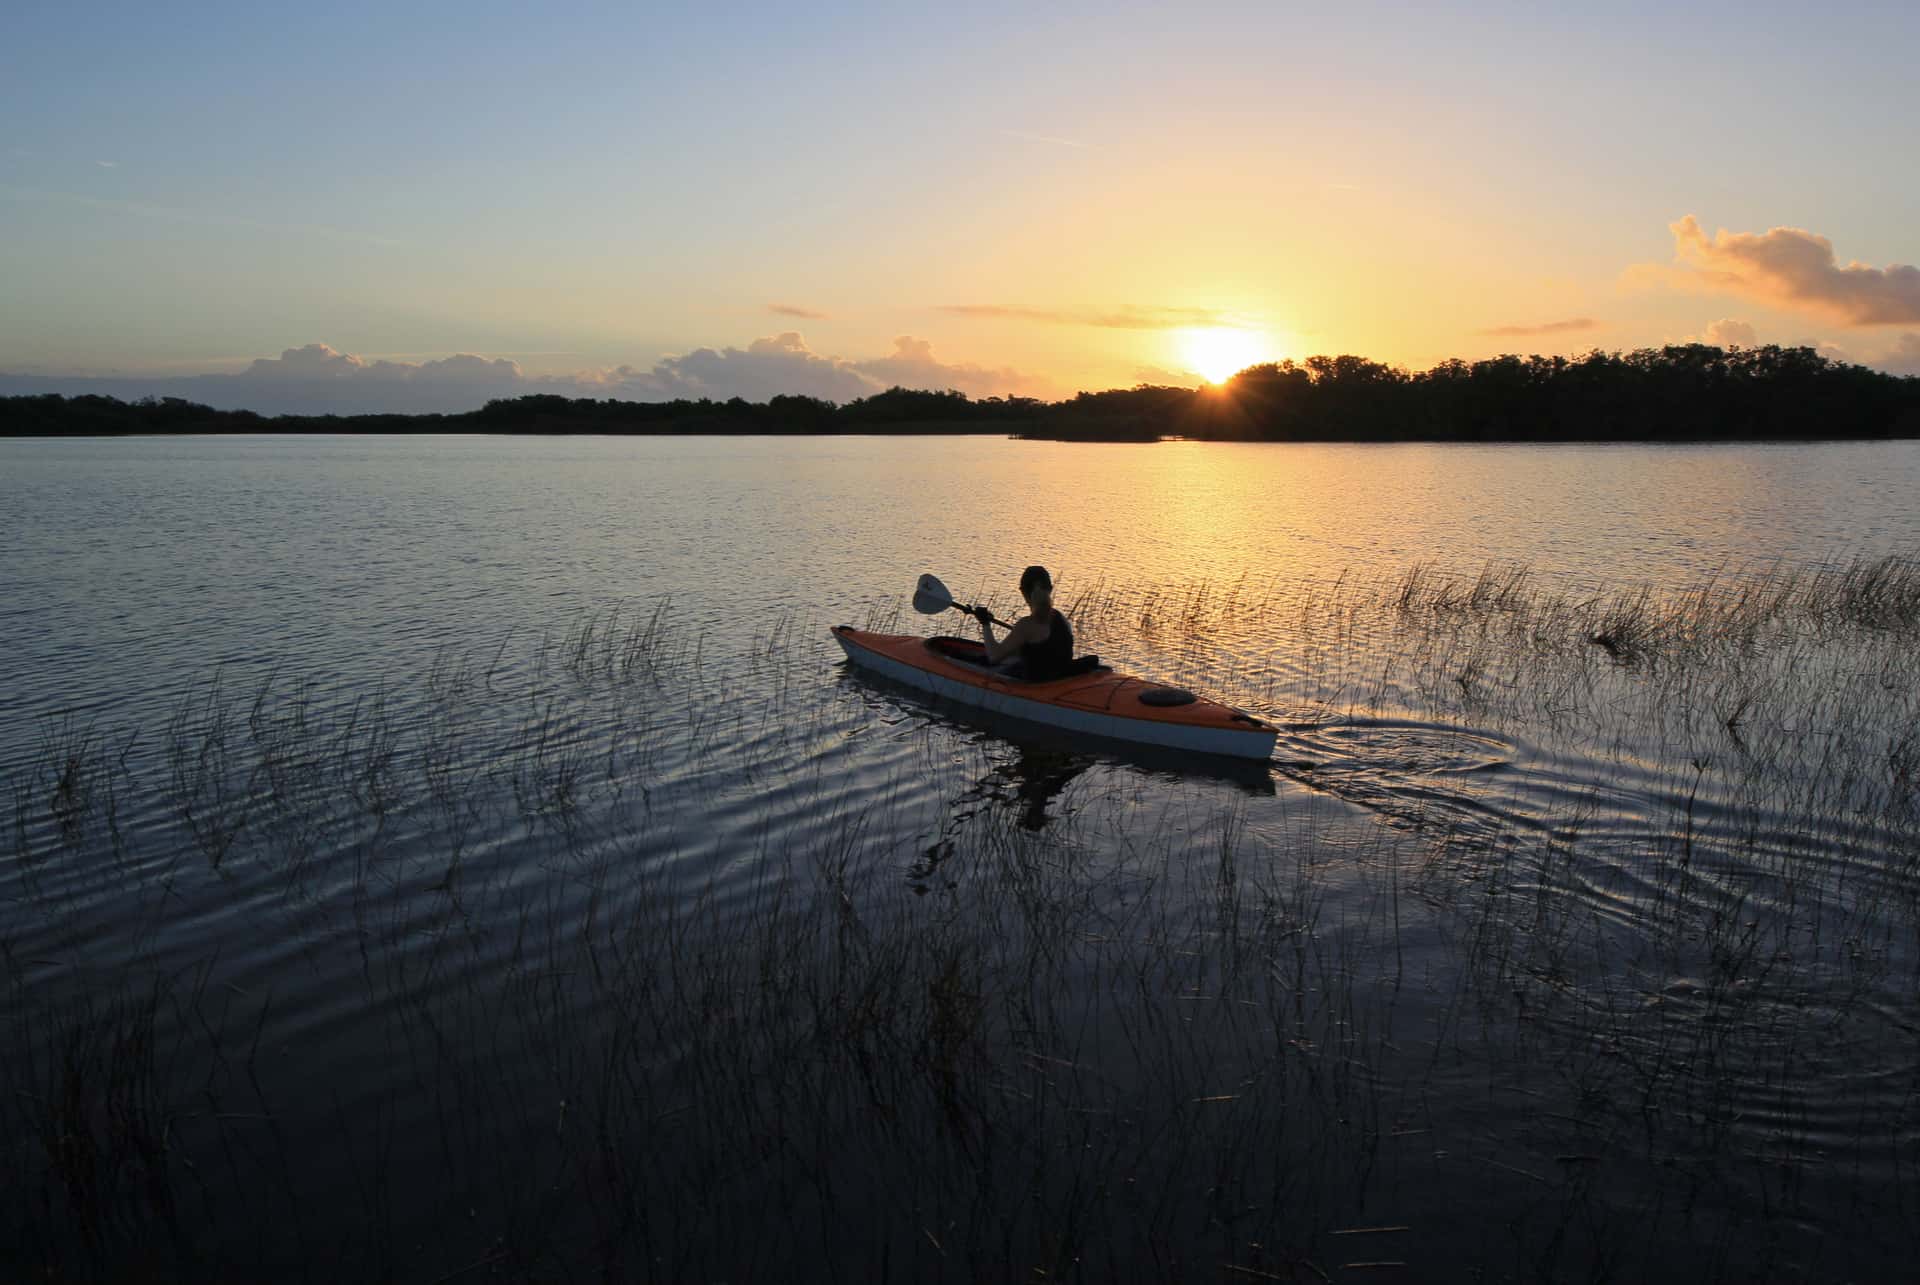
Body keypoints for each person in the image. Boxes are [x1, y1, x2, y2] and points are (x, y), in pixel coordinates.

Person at [974, 564, 1074, 680]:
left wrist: (985, 624)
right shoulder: (1063, 620)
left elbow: (994, 656)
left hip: (1037, 687)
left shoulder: (1026, 625)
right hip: (1059, 681)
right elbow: (1044, 653)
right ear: (1050, 589)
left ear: (1023, 592)